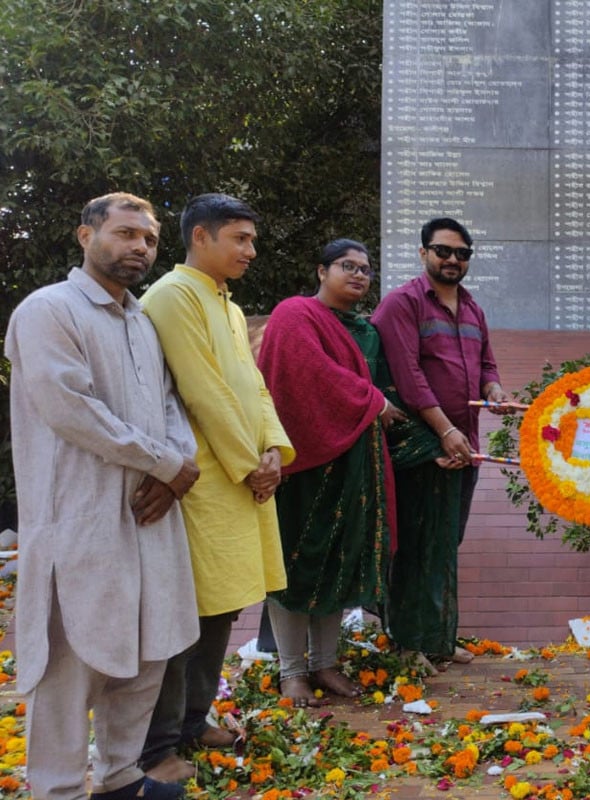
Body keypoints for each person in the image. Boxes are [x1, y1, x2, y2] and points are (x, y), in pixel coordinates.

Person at [6, 193, 199, 800]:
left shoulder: (141, 321)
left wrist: (175, 469)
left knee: (146, 655)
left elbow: (171, 404)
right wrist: (166, 464)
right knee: (69, 668)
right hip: (79, 521)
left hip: (148, 518)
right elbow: (70, 408)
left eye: (148, 239)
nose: (138, 247)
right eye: (124, 233)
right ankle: (57, 788)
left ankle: (119, 778)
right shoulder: (49, 310)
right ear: (85, 236)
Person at [139, 193, 295, 781]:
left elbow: (252, 386)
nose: (251, 250)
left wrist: (274, 450)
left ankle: (194, 719)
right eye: (240, 238)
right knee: (187, 616)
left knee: (223, 608)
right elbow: (202, 390)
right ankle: (159, 745)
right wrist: (246, 463)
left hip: (244, 479)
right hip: (205, 482)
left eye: (252, 239)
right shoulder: (173, 296)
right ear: (200, 237)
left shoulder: (227, 305)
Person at [257, 239, 406, 706]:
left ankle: (325, 664)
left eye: (366, 269)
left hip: (352, 466)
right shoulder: (294, 313)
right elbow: (308, 375)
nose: (359, 275)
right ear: (321, 271)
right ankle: (292, 671)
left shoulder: (361, 328)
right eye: (348, 266)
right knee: (295, 566)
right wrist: (373, 400)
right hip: (305, 465)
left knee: (338, 565)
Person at [371, 217, 511, 668]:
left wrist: (495, 391)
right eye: (443, 251)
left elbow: (486, 364)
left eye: (462, 253)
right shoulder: (402, 304)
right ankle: (406, 644)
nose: (452, 260)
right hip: (422, 448)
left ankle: (437, 637)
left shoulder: (472, 309)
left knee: (444, 544)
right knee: (415, 546)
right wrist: (444, 432)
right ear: (423, 253)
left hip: (463, 447)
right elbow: (409, 379)